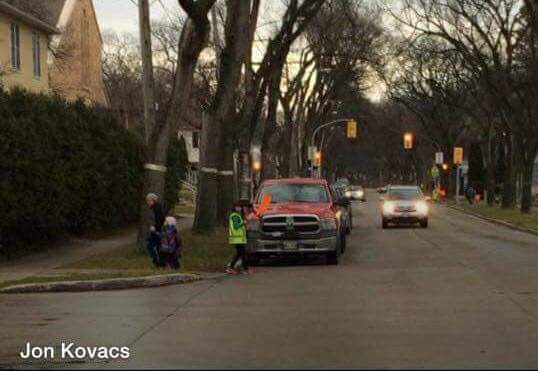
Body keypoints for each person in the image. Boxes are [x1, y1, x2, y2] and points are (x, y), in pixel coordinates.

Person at [227, 202, 250, 275]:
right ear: (234, 207)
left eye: (240, 207)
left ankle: (232, 267)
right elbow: (236, 226)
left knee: (240, 254)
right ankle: (244, 269)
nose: (239, 208)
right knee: (242, 254)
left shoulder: (237, 215)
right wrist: (244, 222)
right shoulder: (234, 216)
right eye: (237, 207)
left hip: (239, 239)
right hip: (237, 239)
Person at [145, 193, 165, 268]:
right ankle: (160, 263)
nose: (147, 202)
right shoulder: (155, 207)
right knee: (157, 247)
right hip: (156, 231)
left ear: (152, 200)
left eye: (148, 200)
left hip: (157, 231)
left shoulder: (156, 208)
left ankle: (157, 263)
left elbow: (160, 220)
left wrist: (155, 227)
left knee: (150, 246)